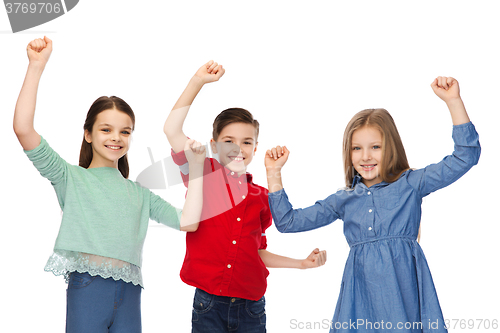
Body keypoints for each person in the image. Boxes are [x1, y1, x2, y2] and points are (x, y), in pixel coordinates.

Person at [13, 37, 206, 333]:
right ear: (88, 134)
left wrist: (195, 167)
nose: (116, 137)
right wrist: (36, 66)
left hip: (129, 293)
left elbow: (189, 222)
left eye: (124, 131)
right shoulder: (70, 177)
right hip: (88, 289)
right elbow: (23, 129)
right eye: (106, 129)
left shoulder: (139, 194)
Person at [265, 77, 480, 332]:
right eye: (357, 148)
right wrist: (273, 173)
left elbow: (466, 156)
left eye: (375, 147)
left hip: (404, 295)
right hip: (361, 300)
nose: (365, 156)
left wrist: (453, 101)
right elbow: (288, 222)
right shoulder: (344, 199)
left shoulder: (411, 183)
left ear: (391, 147)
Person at [164, 60, 327, 332]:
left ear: (255, 147)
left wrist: (302, 264)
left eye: (247, 142)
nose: (238, 148)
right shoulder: (202, 172)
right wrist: (197, 81)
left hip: (252, 307)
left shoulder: (262, 197)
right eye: (229, 140)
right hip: (209, 304)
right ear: (214, 144)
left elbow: (257, 252)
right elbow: (171, 130)